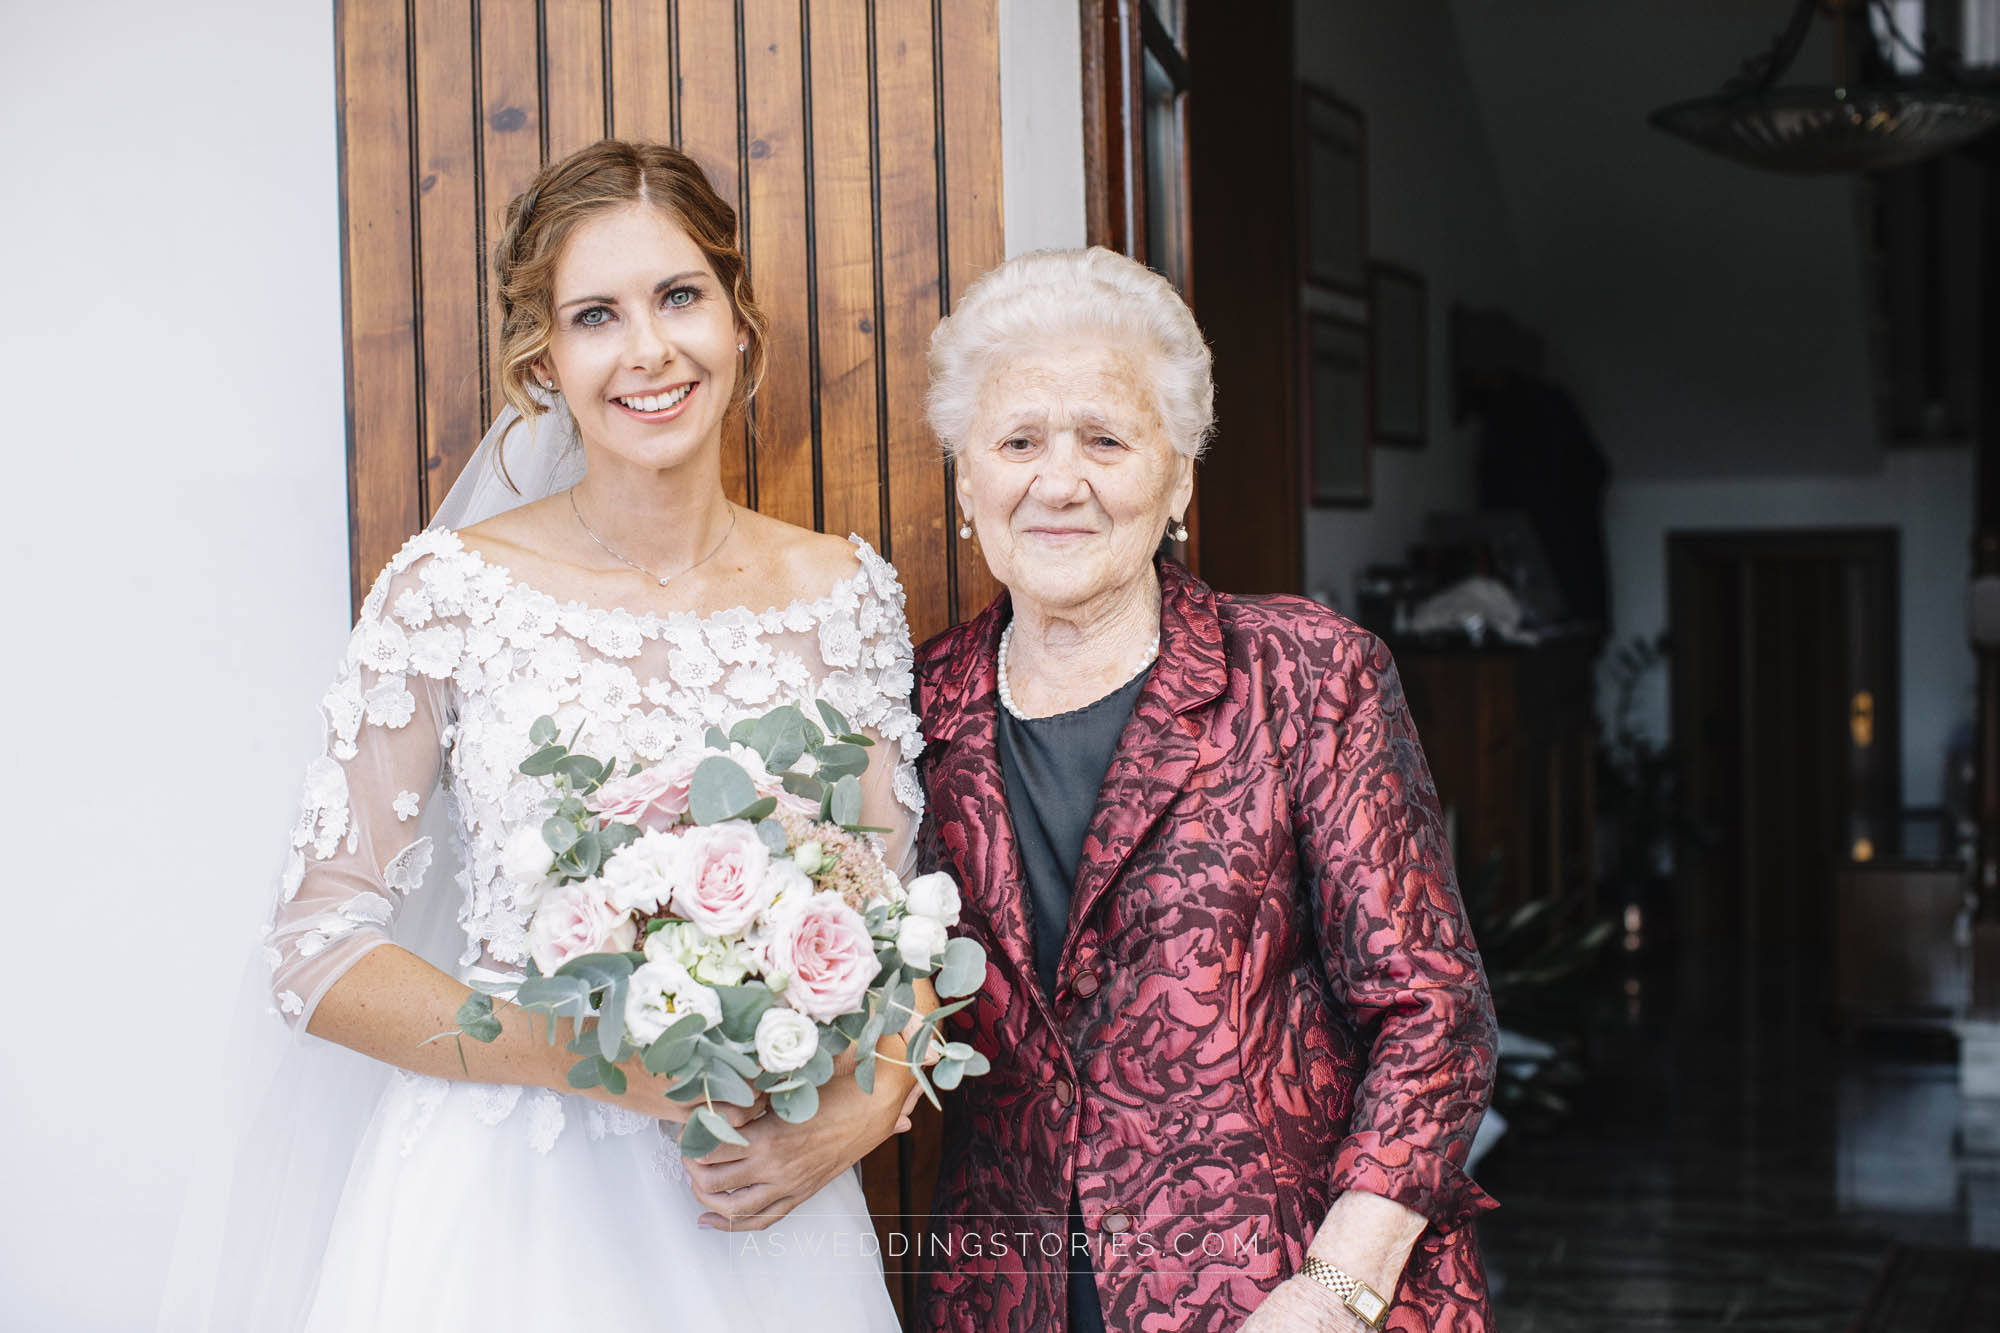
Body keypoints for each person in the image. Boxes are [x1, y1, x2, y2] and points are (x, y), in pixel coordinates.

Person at [163, 140, 923, 1331]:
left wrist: (863, 1107)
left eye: (679, 296)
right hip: (501, 1207)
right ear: (544, 362)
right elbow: (315, 948)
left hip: (756, 1192)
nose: (648, 349)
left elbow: (900, 926)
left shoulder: (845, 597)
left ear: (739, 325)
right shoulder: (451, 595)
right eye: (594, 316)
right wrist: (588, 1060)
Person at [910, 248, 1499, 1332]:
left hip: (1280, 1288)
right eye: (1018, 441)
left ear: (1178, 477)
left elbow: (1433, 1016)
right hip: (1007, 1294)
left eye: (1104, 439)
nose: (1058, 482)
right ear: (964, 478)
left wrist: (1336, 1289)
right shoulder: (913, 711)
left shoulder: (1304, 672)